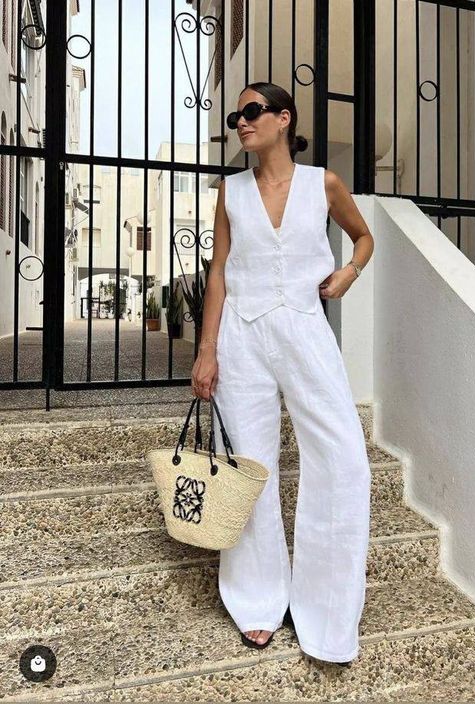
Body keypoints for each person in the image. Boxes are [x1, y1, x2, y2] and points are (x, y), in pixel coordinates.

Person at [191, 81, 374, 666]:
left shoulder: (323, 183)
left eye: (250, 113)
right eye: (235, 116)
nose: (240, 124)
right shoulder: (230, 192)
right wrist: (207, 349)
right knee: (253, 471)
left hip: (304, 333)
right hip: (241, 338)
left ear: (282, 118)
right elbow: (218, 271)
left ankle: (325, 614)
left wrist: (349, 273)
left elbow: (363, 236)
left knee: (344, 461)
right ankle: (259, 601)